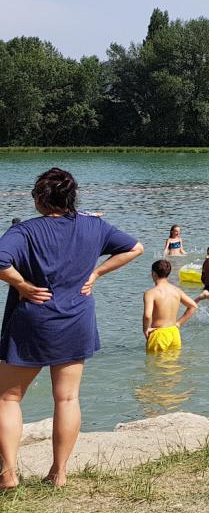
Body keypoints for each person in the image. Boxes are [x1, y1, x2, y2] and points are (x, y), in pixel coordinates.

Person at [0, 169, 144, 488]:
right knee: (67, 398)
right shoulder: (94, 226)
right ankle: (59, 473)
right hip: (76, 319)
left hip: (33, 321)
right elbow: (135, 248)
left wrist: (22, 285)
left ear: (39, 198)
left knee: (7, 398)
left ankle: (8, 473)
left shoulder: (25, 232)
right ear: (71, 198)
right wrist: (96, 274)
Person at [142, 259, 197, 354]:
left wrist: (146, 329)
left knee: (155, 366)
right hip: (174, 333)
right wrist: (179, 323)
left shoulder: (150, 293)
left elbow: (147, 315)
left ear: (154, 274)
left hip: (159, 333)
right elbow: (193, 306)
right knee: (173, 366)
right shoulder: (176, 290)